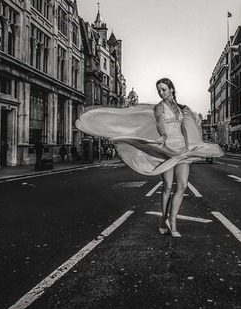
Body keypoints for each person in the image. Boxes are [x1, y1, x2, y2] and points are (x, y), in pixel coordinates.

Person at [75, 77, 223, 238]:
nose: (161, 92)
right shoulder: (159, 108)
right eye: (159, 90)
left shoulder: (182, 108)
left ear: (171, 89)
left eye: (164, 89)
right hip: (166, 149)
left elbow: (184, 129)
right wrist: (163, 136)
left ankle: (172, 221)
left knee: (182, 185)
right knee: (167, 186)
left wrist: (189, 146)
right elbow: (160, 124)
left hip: (182, 150)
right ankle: (163, 221)